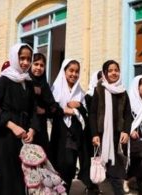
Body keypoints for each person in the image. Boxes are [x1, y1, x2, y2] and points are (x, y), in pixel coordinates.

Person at [0, 43, 39, 195]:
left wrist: (32, 129)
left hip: (24, 135)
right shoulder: (4, 80)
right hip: (6, 135)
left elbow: (33, 109)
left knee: (22, 175)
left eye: (29, 59)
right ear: (14, 58)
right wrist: (12, 126)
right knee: (6, 176)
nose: (25, 62)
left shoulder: (28, 82)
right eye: (22, 58)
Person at [89, 60, 133, 195]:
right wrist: (95, 133)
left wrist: (126, 131)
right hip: (102, 135)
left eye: (116, 70)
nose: (114, 73)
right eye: (110, 70)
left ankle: (115, 191)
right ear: (105, 73)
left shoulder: (123, 91)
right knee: (106, 167)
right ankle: (98, 189)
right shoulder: (99, 90)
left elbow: (127, 113)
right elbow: (93, 113)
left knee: (115, 167)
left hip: (117, 135)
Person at [50, 59, 87, 194]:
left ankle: (65, 191)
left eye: (77, 71)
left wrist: (79, 106)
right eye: (71, 70)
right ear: (64, 71)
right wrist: (64, 110)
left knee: (70, 165)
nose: (74, 74)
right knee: (58, 165)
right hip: (60, 131)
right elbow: (51, 109)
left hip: (74, 132)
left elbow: (85, 113)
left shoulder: (79, 91)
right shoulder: (55, 88)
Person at [29, 53, 59, 156]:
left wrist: (44, 111)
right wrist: (31, 90)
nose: (38, 68)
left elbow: (53, 107)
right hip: (26, 126)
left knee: (40, 158)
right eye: (36, 64)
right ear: (30, 65)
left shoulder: (44, 86)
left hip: (41, 129)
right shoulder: (24, 81)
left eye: (42, 65)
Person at [78, 70, 103, 194]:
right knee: (89, 158)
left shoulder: (105, 94)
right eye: (100, 78)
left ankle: (96, 184)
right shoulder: (89, 95)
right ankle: (89, 185)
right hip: (89, 131)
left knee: (98, 159)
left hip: (101, 131)